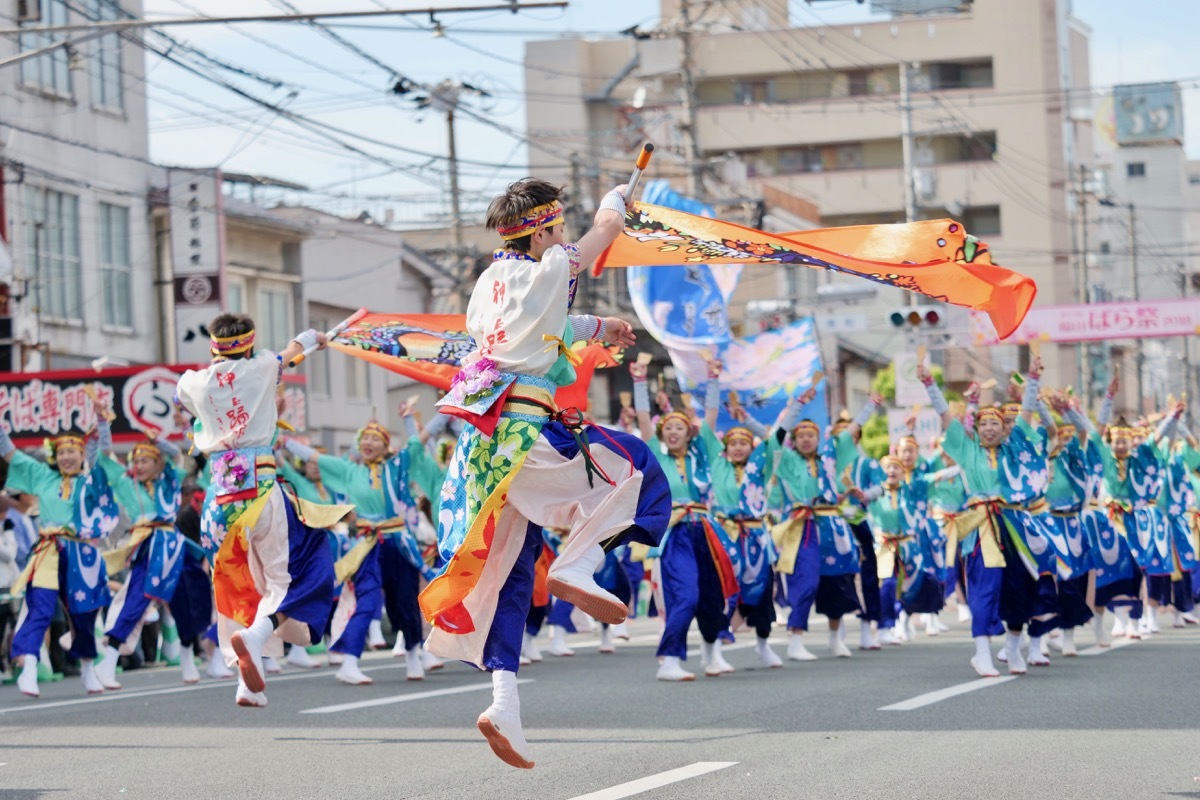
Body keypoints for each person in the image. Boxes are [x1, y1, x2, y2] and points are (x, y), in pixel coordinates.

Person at [419, 178, 670, 769]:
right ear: (541, 231)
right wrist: (615, 202)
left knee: (507, 575)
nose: (562, 237)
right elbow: (603, 236)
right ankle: (578, 564)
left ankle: (503, 702)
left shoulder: (488, 283)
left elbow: (536, 325)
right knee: (637, 467)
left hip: (480, 447)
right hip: (525, 431)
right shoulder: (553, 259)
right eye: (556, 228)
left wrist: (598, 327)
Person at [174, 313, 351, 708]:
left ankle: (245, 684)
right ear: (249, 345)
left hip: (216, 507)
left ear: (213, 346)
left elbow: (178, 401)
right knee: (300, 568)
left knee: (238, 587)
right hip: (260, 495)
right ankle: (258, 636)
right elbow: (295, 349)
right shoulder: (263, 366)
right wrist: (313, 338)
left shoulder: (193, 381)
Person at [284, 410, 442, 684]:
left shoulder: (398, 465)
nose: (368, 442)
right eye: (364, 437)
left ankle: (413, 656)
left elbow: (421, 438)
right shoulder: (349, 470)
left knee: (404, 601)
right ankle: (349, 662)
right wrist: (284, 444)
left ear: (385, 445)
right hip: (369, 545)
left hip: (398, 543)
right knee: (366, 601)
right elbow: (315, 457)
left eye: (374, 438)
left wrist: (445, 411)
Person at [2, 427, 120, 697]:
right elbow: (10, 454)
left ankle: (88, 668)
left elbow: (105, 455)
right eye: (61, 452)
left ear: (81, 454)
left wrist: (103, 424)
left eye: (72, 451)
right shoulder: (43, 476)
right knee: (39, 607)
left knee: (85, 614)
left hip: (82, 553)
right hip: (48, 550)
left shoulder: (92, 481)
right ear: (54, 456)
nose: (66, 457)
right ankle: (29, 666)